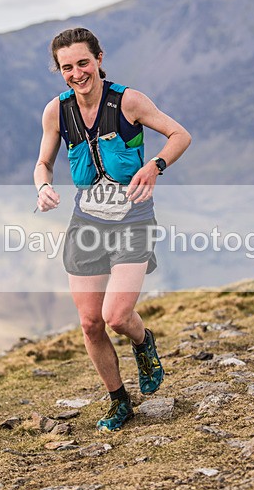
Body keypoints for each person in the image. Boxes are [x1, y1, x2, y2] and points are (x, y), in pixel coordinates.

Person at [34, 28, 191, 432]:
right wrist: (44, 186)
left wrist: (154, 166)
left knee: (117, 316)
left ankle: (143, 343)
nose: (76, 73)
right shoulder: (56, 111)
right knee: (90, 323)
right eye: (66, 67)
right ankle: (119, 401)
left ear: (99, 58)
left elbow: (180, 135)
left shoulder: (128, 101)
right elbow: (44, 164)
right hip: (86, 222)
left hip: (132, 219)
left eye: (83, 63)